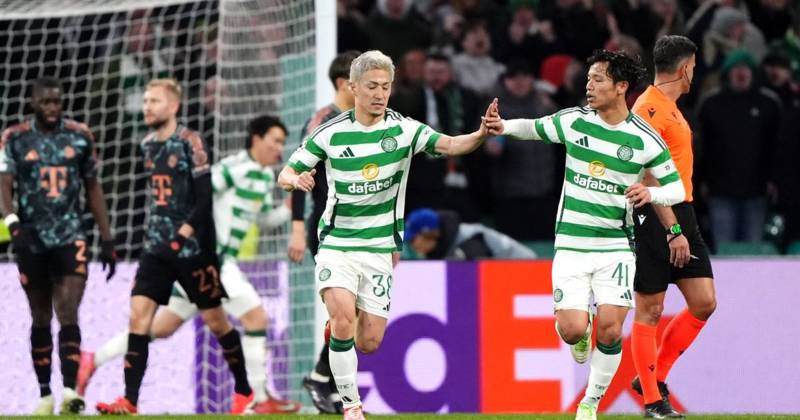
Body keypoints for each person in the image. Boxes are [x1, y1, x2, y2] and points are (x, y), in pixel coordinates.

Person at [279, 50, 494, 420]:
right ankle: (352, 406)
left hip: (379, 248)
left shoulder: (404, 130)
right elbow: (286, 172)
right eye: (372, 86)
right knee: (343, 319)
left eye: (386, 86)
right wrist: (296, 180)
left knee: (369, 341)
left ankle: (338, 332)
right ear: (353, 87)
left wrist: (480, 134)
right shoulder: (330, 132)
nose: (380, 94)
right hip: (337, 244)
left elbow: (449, 144)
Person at [484, 49, 686, 420]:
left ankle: (589, 404)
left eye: (598, 79)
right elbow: (535, 128)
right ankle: (580, 331)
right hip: (572, 246)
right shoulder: (575, 121)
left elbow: (676, 189)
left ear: (621, 87)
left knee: (611, 331)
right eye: (588, 78)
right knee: (572, 330)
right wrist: (503, 126)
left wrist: (650, 193)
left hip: (616, 247)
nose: (588, 86)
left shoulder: (644, 140)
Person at [79, 115, 299, 414]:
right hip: (212, 260)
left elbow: (260, 219)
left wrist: (286, 211)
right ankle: (258, 398)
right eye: (275, 141)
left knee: (162, 327)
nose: (279, 148)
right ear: (257, 139)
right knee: (256, 318)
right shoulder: (233, 169)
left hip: (214, 264)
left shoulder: (263, 177)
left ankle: (92, 359)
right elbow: (199, 196)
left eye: (282, 143)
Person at [95, 79, 253, 415]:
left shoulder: (191, 142)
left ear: (173, 106)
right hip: (156, 249)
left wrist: (181, 237)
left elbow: (204, 199)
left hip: (191, 250)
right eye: (146, 101)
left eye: (154, 101)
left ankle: (244, 390)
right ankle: (130, 400)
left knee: (216, 322)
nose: (147, 107)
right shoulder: (147, 145)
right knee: (138, 318)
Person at [0, 77, 117, 415]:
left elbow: (93, 187)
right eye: (46, 102)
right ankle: (44, 395)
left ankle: (69, 391)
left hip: (70, 236)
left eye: (57, 101)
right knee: (40, 316)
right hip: (31, 238)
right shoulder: (14, 138)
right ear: (33, 103)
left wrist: (107, 238)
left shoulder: (80, 136)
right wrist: (12, 222)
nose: (52, 108)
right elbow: (3, 185)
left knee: (67, 309)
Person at [629, 35, 715, 419]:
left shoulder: (671, 109)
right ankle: (652, 401)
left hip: (685, 209)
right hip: (655, 215)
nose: (694, 73)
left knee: (704, 302)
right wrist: (672, 230)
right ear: (684, 69)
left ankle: (653, 376)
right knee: (650, 308)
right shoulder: (648, 108)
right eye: (693, 67)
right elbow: (646, 174)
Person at [287, 50, 359, 415]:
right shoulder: (322, 122)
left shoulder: (365, 121)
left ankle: (323, 379)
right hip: (328, 228)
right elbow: (299, 174)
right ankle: (321, 377)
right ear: (345, 83)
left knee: (355, 312)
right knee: (345, 310)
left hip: (362, 230)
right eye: (362, 81)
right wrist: (298, 228)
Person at [403, 208, 535, 260]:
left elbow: (480, 280)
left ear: (430, 234)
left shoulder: (469, 239)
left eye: (413, 239)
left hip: (528, 270)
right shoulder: (445, 244)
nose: (412, 245)